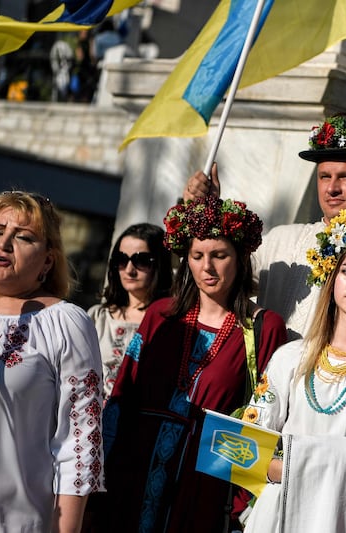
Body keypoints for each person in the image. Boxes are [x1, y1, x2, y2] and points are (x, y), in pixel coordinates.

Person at [100, 196, 287, 532]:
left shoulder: (263, 328)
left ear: (241, 258)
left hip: (204, 485)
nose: (207, 267)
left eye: (220, 255)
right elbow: (122, 392)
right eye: (197, 256)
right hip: (133, 468)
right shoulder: (160, 314)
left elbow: (267, 418)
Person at [184, 116, 346, 353]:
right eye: (324, 176)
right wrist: (207, 219)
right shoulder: (280, 240)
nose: (332, 188)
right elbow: (214, 283)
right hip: (262, 387)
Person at [240, 210, 346, 533]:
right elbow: (243, 451)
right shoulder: (290, 357)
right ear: (332, 277)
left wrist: (302, 463)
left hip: (345, 518)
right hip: (277, 516)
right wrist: (312, 467)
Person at [0, 191, 104, 532]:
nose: (4, 243)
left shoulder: (64, 323)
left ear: (48, 260)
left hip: (10, 521)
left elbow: (79, 443)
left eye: (23, 237)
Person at [87, 223, 172, 400]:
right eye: (121, 259)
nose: (129, 270)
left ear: (160, 264)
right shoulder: (97, 317)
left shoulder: (170, 322)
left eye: (141, 260)